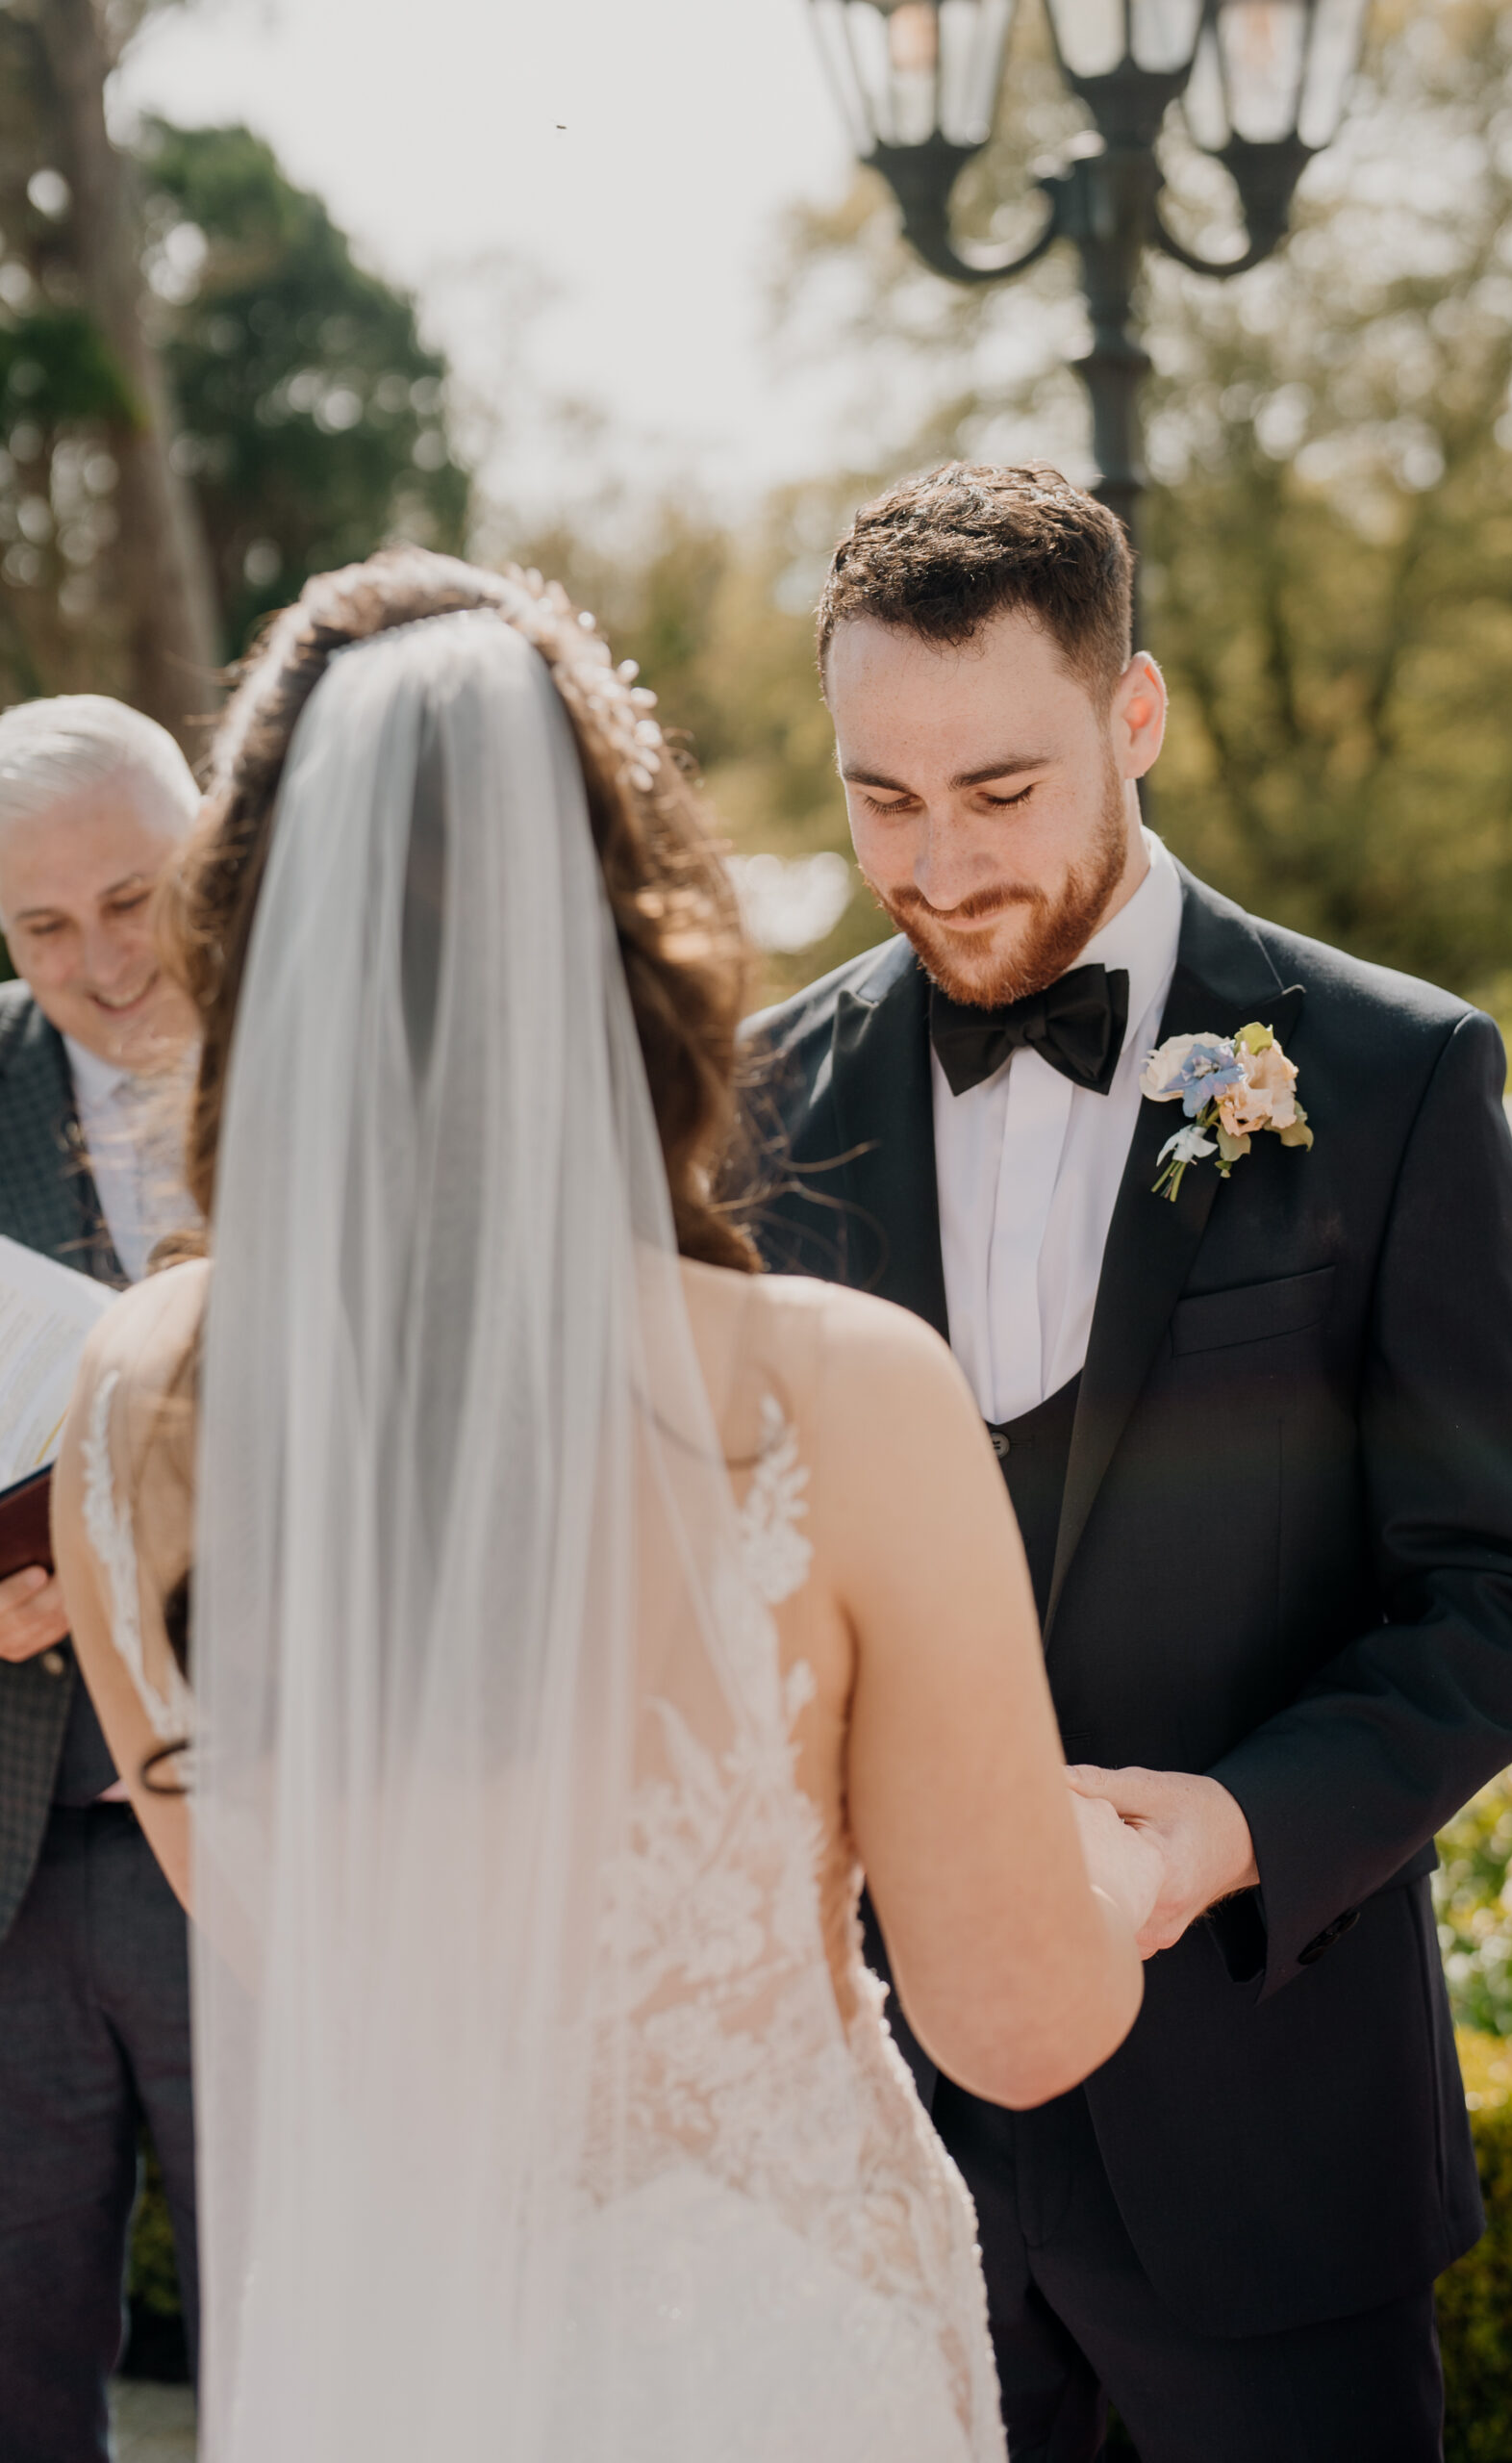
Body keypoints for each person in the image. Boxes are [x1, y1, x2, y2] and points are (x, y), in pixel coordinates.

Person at [50, 550, 1159, 2463]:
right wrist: (1131, 1852)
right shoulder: (837, 1386)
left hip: (397, 2347)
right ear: (642, 921)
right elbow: (1015, 2023)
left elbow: (294, 1951)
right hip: (776, 2347)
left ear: (252, 938)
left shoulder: (129, 1407)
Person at [745, 462, 1512, 2463]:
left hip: (1269, 2140)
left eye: (998, 789)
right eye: (880, 797)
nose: (937, 863)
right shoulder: (753, 1104)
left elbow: (1498, 1599)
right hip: (881, 2151)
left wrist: (1206, 1834)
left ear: (1134, 716)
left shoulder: (1388, 1076)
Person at [0, 696, 201, 2462]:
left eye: (134, 899)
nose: (103, 963)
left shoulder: (349, 1069)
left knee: (312, 2332)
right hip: (8, 1845)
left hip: (262, 1825)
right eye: (44, 928)